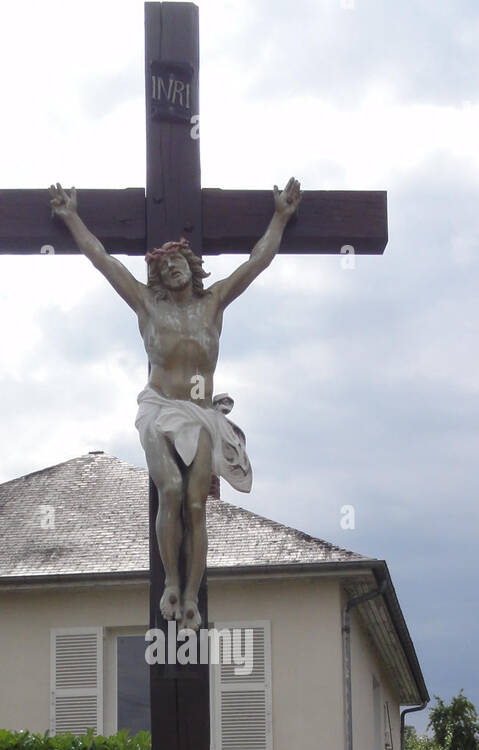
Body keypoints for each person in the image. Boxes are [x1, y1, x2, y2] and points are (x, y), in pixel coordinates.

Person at [50, 178, 302, 629]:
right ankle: (170, 582)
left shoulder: (213, 304)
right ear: (159, 279)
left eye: (179, 265)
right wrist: (71, 217)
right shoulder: (148, 306)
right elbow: (103, 261)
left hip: (201, 412)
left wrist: (280, 216)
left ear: (191, 265)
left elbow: (256, 262)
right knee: (168, 490)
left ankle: (191, 596)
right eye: (165, 270)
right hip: (160, 409)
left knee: (196, 504)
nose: (175, 272)